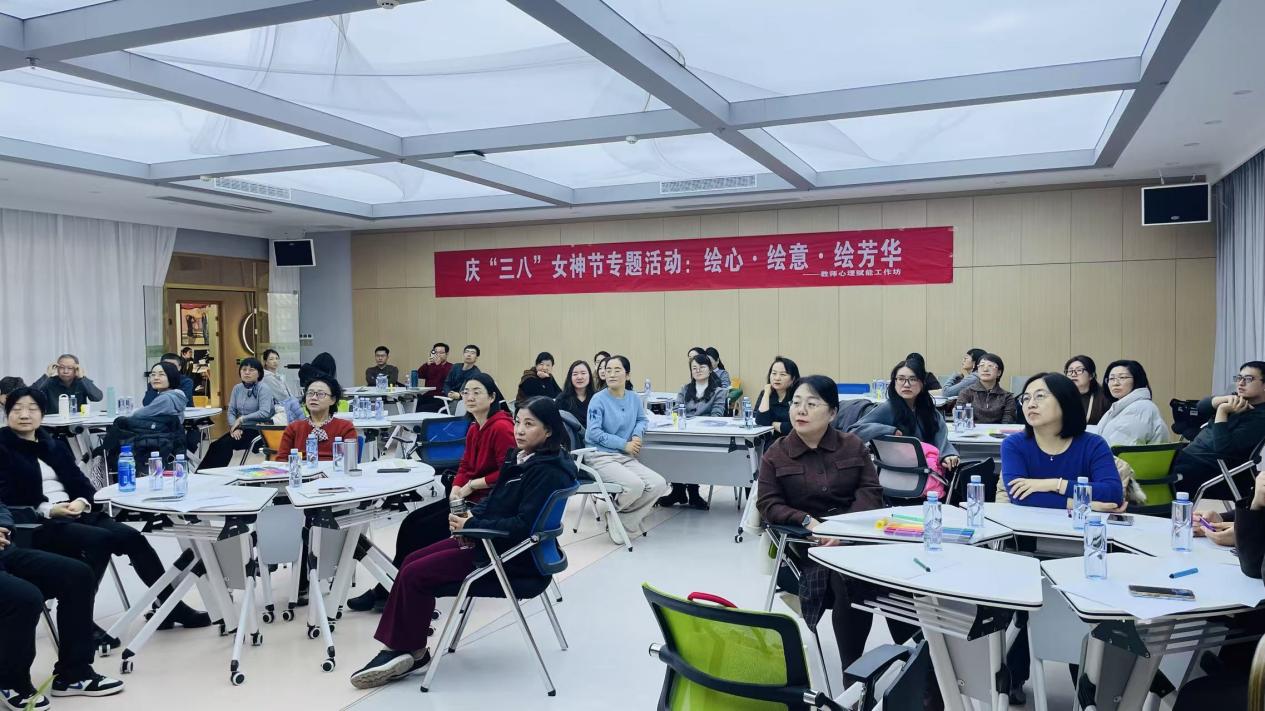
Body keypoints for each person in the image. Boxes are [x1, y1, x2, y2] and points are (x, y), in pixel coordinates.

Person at [349, 396, 577, 689]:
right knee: (410, 561)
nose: (519, 430)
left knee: (416, 574)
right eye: (518, 422)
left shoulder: (547, 471)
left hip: (511, 558)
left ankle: (408, 650)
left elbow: (522, 527)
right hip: (490, 542)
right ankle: (406, 648)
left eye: (529, 424)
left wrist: (474, 526)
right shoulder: (523, 458)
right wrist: (471, 518)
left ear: (548, 430)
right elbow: (496, 500)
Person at [0, 388, 210, 637]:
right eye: (17, 409)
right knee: (98, 540)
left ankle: (170, 606)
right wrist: (49, 510)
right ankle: (80, 621)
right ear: (7, 414)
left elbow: (81, 483)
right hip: (37, 522)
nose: (25, 415)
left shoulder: (53, 445)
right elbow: (5, 498)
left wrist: (81, 501)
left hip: (76, 512)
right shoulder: (4, 448)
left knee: (132, 537)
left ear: (43, 414)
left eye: (32, 409)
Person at [756, 375, 919, 676]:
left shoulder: (852, 446)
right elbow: (768, 504)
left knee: (899, 575)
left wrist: (845, 531)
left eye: (811, 404)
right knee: (846, 578)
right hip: (808, 548)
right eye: (796, 403)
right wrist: (806, 521)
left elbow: (871, 492)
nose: (800, 410)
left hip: (857, 539)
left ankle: (918, 666)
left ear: (832, 413)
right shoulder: (776, 454)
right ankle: (853, 677)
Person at [347, 373, 515, 613]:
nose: (470, 397)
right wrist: (457, 486)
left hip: (484, 505)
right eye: (466, 392)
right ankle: (389, 587)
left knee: (421, 531)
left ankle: (390, 590)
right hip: (467, 499)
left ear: (492, 397)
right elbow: (465, 465)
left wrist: (472, 485)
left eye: (477, 392)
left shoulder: (501, 427)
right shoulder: (474, 427)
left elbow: (507, 473)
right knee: (411, 523)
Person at [0, 498, 125, 706]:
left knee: (77, 575)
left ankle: (73, 674)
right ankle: (12, 682)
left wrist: (3, 527)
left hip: (5, 552)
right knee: (25, 597)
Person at [1000, 373, 1123, 509]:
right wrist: (1084, 504)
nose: (1031, 404)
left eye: (1040, 396)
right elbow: (1019, 495)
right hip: (1028, 521)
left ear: (1066, 400)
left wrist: (1054, 484)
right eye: (1026, 398)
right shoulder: (1014, 444)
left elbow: (1113, 493)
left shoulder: (1093, 444)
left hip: (1080, 523)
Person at [584, 356, 669, 540]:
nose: (611, 374)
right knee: (635, 485)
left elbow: (642, 420)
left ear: (627, 375)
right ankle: (622, 520)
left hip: (624, 456)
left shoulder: (634, 398)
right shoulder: (598, 400)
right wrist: (624, 444)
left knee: (659, 484)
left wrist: (637, 436)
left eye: (617, 370)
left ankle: (618, 517)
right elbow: (593, 433)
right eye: (608, 370)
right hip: (599, 456)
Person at [849, 358, 960, 471]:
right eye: (901, 379)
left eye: (913, 379)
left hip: (927, 470)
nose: (906, 385)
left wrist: (948, 455)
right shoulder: (888, 408)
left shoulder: (929, 410)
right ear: (894, 382)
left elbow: (941, 438)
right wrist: (889, 430)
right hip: (896, 471)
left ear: (922, 383)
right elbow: (854, 431)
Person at [1172, 361, 1265, 495]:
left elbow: (1223, 448)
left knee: (1157, 475)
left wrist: (1222, 411)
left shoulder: (1260, 418)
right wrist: (1225, 399)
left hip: (1214, 469)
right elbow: (1201, 407)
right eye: (1239, 378)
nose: (1241, 383)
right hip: (1191, 457)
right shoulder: (1236, 400)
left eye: (1248, 379)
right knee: (1149, 462)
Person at [658, 355, 727, 510]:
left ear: (710, 369)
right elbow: (676, 411)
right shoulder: (685, 389)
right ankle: (678, 490)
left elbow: (717, 416)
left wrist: (693, 421)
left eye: (702, 367)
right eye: (694, 368)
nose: (698, 370)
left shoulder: (719, 392)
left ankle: (693, 493)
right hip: (683, 433)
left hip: (705, 436)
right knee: (670, 449)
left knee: (691, 453)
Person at [197, 358, 277, 470]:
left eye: (251, 370)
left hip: (260, 430)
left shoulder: (264, 389)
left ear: (259, 373)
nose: (247, 372)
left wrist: (241, 419)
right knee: (216, 445)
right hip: (242, 429)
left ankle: (211, 473)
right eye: (244, 369)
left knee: (224, 445)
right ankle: (203, 474)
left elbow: (264, 413)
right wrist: (234, 428)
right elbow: (231, 411)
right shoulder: (237, 388)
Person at [274, 376, 357, 460]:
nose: (313, 398)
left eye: (320, 394)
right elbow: (281, 460)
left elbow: (351, 460)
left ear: (333, 400)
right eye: (310, 393)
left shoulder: (345, 427)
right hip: (302, 468)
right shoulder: (293, 428)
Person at [1096, 360, 1170, 447]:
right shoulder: (1124, 407)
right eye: (1111, 378)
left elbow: (1122, 448)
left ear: (1136, 380)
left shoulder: (1139, 408)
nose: (1115, 383)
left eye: (1122, 377)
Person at [954, 353, 1017, 424]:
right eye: (981, 366)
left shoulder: (1007, 397)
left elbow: (1007, 424)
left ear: (999, 372)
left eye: (990, 366)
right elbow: (959, 419)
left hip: (998, 431)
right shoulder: (966, 393)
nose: (985, 369)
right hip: (972, 430)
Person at [32, 354, 103, 408]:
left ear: (76, 369)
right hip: (54, 422)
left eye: (70, 368)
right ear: (57, 368)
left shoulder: (82, 381)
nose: (65, 371)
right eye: (61, 367)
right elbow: (30, 396)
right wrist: (47, 375)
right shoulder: (48, 381)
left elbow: (97, 397)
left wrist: (82, 378)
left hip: (78, 422)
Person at [755, 356, 799, 439]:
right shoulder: (765, 393)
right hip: (768, 441)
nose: (777, 378)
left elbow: (795, 427)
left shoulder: (797, 396)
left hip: (791, 441)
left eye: (783, 374)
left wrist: (771, 424)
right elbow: (759, 421)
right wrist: (766, 393)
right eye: (774, 373)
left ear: (793, 379)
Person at [1064, 355, 1108, 426]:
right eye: (1070, 371)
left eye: (1079, 370)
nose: (1073, 374)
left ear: (1091, 375)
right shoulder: (1061, 394)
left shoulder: (1104, 397)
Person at [554, 360, 597, 428]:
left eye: (583, 373)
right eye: (575, 374)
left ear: (589, 376)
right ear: (570, 377)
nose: (579, 377)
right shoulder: (562, 399)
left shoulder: (597, 398)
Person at [416, 343, 453, 412]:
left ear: (447, 354)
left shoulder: (451, 367)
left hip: (441, 397)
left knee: (422, 409)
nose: (438, 355)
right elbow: (419, 375)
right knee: (412, 406)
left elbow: (444, 378)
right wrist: (426, 364)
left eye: (441, 353)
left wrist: (438, 365)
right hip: (428, 395)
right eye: (436, 352)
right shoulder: (430, 365)